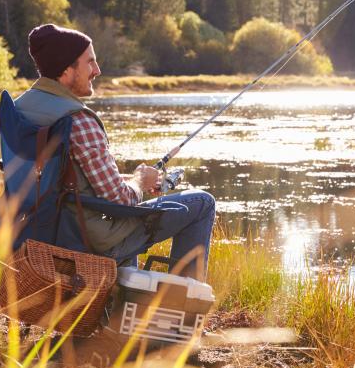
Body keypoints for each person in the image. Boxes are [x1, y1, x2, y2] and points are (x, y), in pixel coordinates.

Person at [14, 23, 215, 280]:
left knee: (129, 219)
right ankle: (183, 305)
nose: (97, 70)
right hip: (89, 241)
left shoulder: (20, 110)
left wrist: (130, 180)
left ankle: (116, 309)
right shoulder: (78, 120)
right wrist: (140, 181)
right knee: (202, 203)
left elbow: (63, 180)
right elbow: (120, 200)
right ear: (66, 70)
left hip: (37, 233)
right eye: (90, 62)